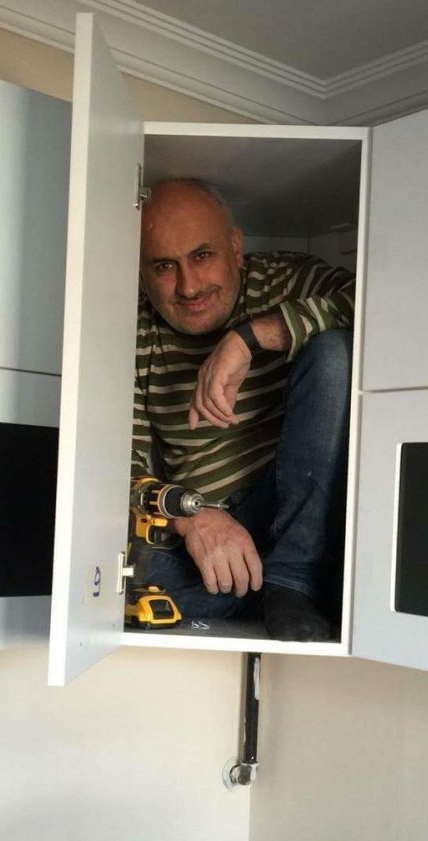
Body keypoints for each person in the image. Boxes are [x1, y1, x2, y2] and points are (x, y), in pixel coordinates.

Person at [131, 178, 354, 640]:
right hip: (209, 537)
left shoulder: (286, 280)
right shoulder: (129, 331)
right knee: (113, 583)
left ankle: (292, 581)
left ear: (235, 247)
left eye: (201, 256)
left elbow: (386, 304)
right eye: (164, 266)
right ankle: (290, 592)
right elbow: (111, 467)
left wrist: (250, 338)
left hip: (302, 507)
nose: (189, 286)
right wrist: (190, 515)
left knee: (336, 351)